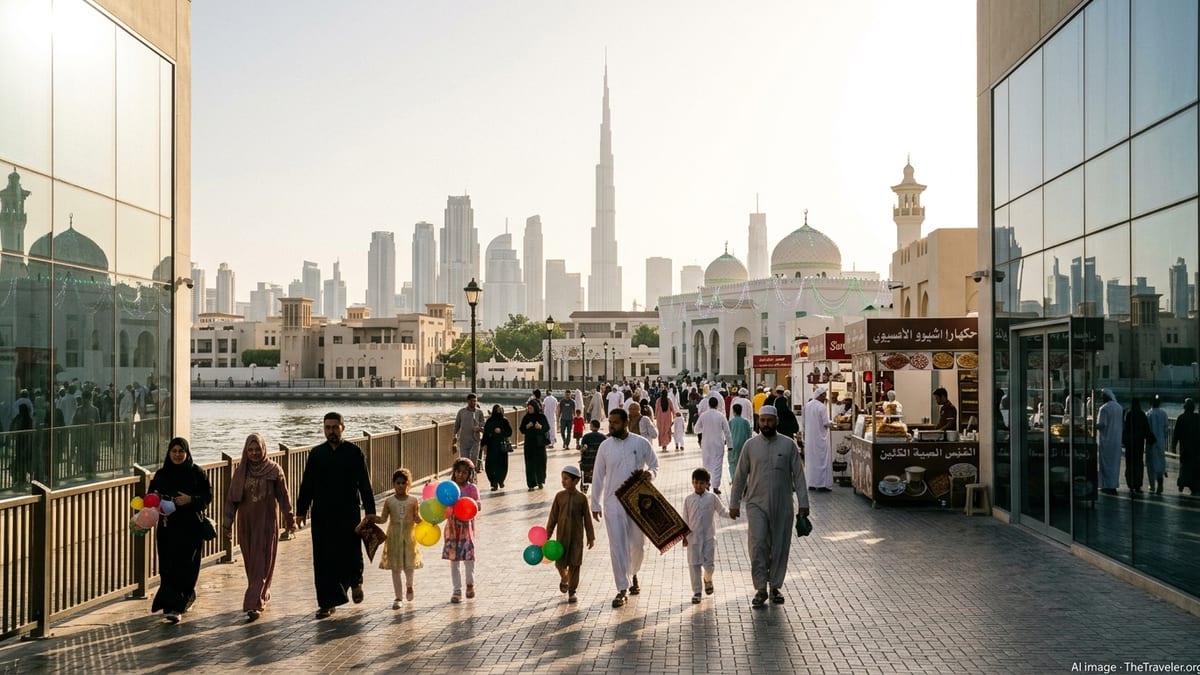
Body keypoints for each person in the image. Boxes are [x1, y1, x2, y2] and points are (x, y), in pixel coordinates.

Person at [295, 412, 376, 619]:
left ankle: (356, 583)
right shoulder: (316, 454)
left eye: (334, 427)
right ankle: (326, 603)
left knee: (349, 551)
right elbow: (307, 485)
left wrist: (370, 513)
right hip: (322, 513)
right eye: (327, 427)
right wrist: (301, 511)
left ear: (343, 427)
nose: (331, 431)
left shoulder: (354, 452)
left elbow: (365, 485)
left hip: (348, 511)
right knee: (322, 558)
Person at [729, 405, 810, 608]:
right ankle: (760, 589)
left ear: (777, 422)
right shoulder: (750, 446)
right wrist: (734, 503)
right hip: (756, 504)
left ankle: (775, 586)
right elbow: (739, 477)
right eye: (762, 421)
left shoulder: (788, 445)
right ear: (758, 422)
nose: (765, 424)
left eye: (769, 421)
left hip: (783, 503)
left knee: (780, 546)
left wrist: (804, 504)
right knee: (758, 546)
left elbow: (799, 477)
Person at [221, 432, 295, 621]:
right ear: (246, 451)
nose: (254, 453)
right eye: (250, 450)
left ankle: (254, 603)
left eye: (257, 449)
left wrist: (289, 519)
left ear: (264, 449)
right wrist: (226, 525)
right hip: (246, 524)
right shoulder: (241, 471)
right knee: (251, 564)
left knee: (261, 562)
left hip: (266, 523)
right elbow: (231, 500)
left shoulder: (274, 470)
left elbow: (284, 497)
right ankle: (263, 593)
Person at [590, 408, 659, 608]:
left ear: (626, 422)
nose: (611, 426)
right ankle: (622, 588)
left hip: (637, 502)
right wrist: (595, 503)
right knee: (617, 546)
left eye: (615, 423)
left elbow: (655, 465)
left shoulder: (641, 443)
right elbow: (598, 476)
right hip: (613, 503)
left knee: (638, 544)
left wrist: (650, 475)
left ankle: (633, 572)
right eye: (610, 422)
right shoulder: (605, 447)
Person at [148, 437, 213, 623]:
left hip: (190, 528)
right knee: (168, 567)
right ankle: (169, 605)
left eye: (181, 451)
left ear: (187, 453)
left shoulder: (196, 473)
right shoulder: (161, 475)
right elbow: (150, 497)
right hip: (167, 529)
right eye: (174, 451)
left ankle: (180, 605)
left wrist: (190, 500)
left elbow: (207, 497)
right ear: (169, 453)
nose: (177, 455)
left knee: (187, 567)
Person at [545, 464, 595, 604]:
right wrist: (547, 534)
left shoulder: (582, 498)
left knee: (575, 564)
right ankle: (564, 577)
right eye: (562, 478)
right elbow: (553, 517)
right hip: (561, 537)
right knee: (559, 563)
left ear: (576, 481)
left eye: (566, 479)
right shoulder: (559, 497)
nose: (563, 481)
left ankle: (572, 591)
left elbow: (587, 519)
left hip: (576, 538)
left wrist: (590, 537)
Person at [372, 468, 421, 609]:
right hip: (393, 538)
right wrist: (372, 519)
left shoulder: (413, 501)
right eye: (398, 483)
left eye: (403, 483)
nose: (401, 485)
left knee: (409, 566)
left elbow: (416, 518)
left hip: (409, 538)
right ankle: (398, 597)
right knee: (396, 568)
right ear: (393, 484)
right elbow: (383, 519)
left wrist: (426, 521)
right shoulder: (389, 501)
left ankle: (409, 585)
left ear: (408, 484)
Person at [682, 467, 730, 605]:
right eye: (696, 482)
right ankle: (697, 592)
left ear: (707, 484)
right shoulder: (688, 499)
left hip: (709, 538)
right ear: (692, 482)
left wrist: (732, 513)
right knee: (694, 565)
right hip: (693, 539)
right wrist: (684, 536)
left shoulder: (712, 498)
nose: (698, 485)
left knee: (709, 566)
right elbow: (684, 519)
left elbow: (722, 511)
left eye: (702, 483)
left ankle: (708, 579)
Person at [443, 458, 480, 603]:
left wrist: (469, 505)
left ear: (469, 474)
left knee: (469, 558)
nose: (461, 475)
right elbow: (442, 506)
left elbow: (478, 505)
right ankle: (456, 590)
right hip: (452, 528)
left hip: (466, 529)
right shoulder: (449, 487)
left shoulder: (471, 489)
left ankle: (470, 584)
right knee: (454, 560)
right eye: (458, 472)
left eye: (464, 472)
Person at [694, 397, 732, 494]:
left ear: (709, 404)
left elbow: (696, 429)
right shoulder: (721, 416)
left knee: (706, 464)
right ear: (717, 405)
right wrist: (730, 445)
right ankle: (715, 487)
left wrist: (704, 430)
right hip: (718, 444)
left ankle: (706, 485)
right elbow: (727, 432)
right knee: (717, 465)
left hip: (706, 443)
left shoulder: (703, 416)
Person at [803, 386, 837, 492]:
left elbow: (803, 422)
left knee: (811, 461)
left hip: (810, 439)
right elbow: (826, 422)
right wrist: (834, 423)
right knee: (822, 461)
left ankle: (812, 483)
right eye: (824, 395)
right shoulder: (821, 407)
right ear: (820, 395)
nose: (825, 397)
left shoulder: (807, 406)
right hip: (820, 439)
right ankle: (822, 484)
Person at [1095, 389, 1123, 496]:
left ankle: (1106, 486)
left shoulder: (1104, 408)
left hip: (1106, 441)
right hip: (1116, 440)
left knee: (1106, 464)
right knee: (1115, 464)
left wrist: (1092, 425)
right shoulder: (1119, 407)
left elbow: (1102, 424)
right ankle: (1113, 485)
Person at [1123, 397, 1152, 495]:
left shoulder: (1129, 414)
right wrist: (1150, 439)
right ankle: (1138, 484)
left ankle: (1130, 483)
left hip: (1130, 444)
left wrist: (1124, 441)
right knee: (1139, 463)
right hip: (1139, 443)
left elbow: (1126, 428)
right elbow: (1146, 428)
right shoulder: (1142, 414)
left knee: (1130, 462)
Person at [520, 400, 551, 490]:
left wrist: (540, 427)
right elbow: (521, 429)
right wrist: (527, 426)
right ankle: (531, 484)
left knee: (540, 464)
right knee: (530, 465)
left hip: (539, 444)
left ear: (535, 408)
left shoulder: (541, 417)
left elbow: (547, 427)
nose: (529, 410)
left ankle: (540, 481)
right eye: (528, 408)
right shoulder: (526, 417)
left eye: (531, 408)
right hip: (529, 444)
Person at [481, 404, 512, 492]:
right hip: (491, 447)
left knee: (502, 465)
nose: (499, 412)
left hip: (501, 447)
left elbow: (509, 432)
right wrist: (483, 444)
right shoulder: (490, 421)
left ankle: (501, 480)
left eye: (500, 410)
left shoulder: (504, 420)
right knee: (490, 466)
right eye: (497, 410)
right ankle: (493, 483)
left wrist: (501, 431)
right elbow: (486, 434)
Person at [1172, 398, 1199, 495]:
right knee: (1194, 468)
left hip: (1184, 448)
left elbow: (1176, 434)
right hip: (1196, 448)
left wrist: (1173, 446)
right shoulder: (1197, 418)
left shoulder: (1181, 418)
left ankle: (1182, 484)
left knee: (1183, 467)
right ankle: (1193, 486)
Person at [453, 393, 485, 468]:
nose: (474, 403)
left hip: (475, 440)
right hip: (464, 440)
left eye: (475, 401)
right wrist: (454, 436)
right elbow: (456, 425)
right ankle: (466, 478)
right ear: (468, 401)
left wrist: (479, 428)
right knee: (464, 461)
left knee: (473, 460)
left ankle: (472, 477)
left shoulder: (479, 412)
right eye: (472, 401)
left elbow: (483, 425)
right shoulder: (461, 412)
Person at [1146, 396, 1169, 494]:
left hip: (1151, 443)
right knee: (1160, 462)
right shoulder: (1164, 413)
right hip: (1160, 442)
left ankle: (1152, 485)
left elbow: (1146, 429)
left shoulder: (1148, 414)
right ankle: (1160, 482)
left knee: (1150, 464)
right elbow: (1166, 429)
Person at [729, 403, 752, 480]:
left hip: (733, 445)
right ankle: (743, 478)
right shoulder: (745, 422)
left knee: (732, 462)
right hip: (743, 444)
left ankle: (734, 478)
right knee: (743, 462)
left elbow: (728, 433)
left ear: (733, 411)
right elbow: (749, 434)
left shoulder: (731, 421)